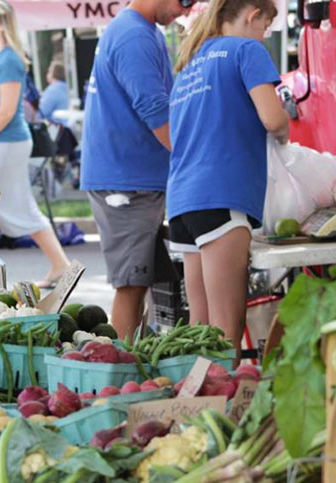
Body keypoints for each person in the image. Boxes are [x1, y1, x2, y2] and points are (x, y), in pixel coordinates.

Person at [168, 0, 287, 348]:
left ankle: (197, 403)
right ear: (252, 15)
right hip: (221, 194)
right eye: (265, 27)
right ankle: (227, 402)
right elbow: (273, 118)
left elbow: (177, 138)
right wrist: (285, 132)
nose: (263, 37)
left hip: (182, 202)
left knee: (200, 328)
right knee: (225, 332)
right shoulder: (246, 50)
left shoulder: (188, 63)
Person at [80, 0, 191, 340]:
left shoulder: (141, 30)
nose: (185, 10)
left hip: (130, 177)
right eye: (183, 0)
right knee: (130, 284)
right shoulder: (134, 36)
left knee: (139, 282)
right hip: (125, 182)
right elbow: (155, 111)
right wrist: (196, 157)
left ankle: (133, 361)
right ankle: (122, 367)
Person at [0, 0, 70, 287]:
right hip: (0, 143)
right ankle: (60, 264)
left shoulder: (9, 59)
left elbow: (8, 110)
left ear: (0, 23)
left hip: (5, 141)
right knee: (16, 205)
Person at [39, 61, 69, 125]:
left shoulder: (53, 90)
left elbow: (42, 112)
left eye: (49, 71)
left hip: (57, 128)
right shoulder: (66, 87)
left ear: (53, 74)